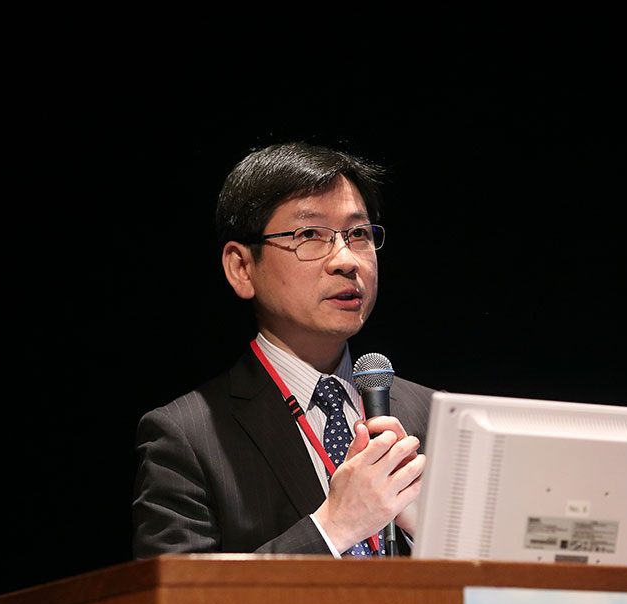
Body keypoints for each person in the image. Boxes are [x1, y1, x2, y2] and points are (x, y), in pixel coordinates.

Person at [132, 142, 434, 557]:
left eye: (358, 234)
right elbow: (181, 598)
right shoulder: (185, 437)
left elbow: (507, 585)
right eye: (310, 235)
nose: (346, 260)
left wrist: (435, 532)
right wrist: (334, 527)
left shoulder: (435, 414)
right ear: (241, 268)